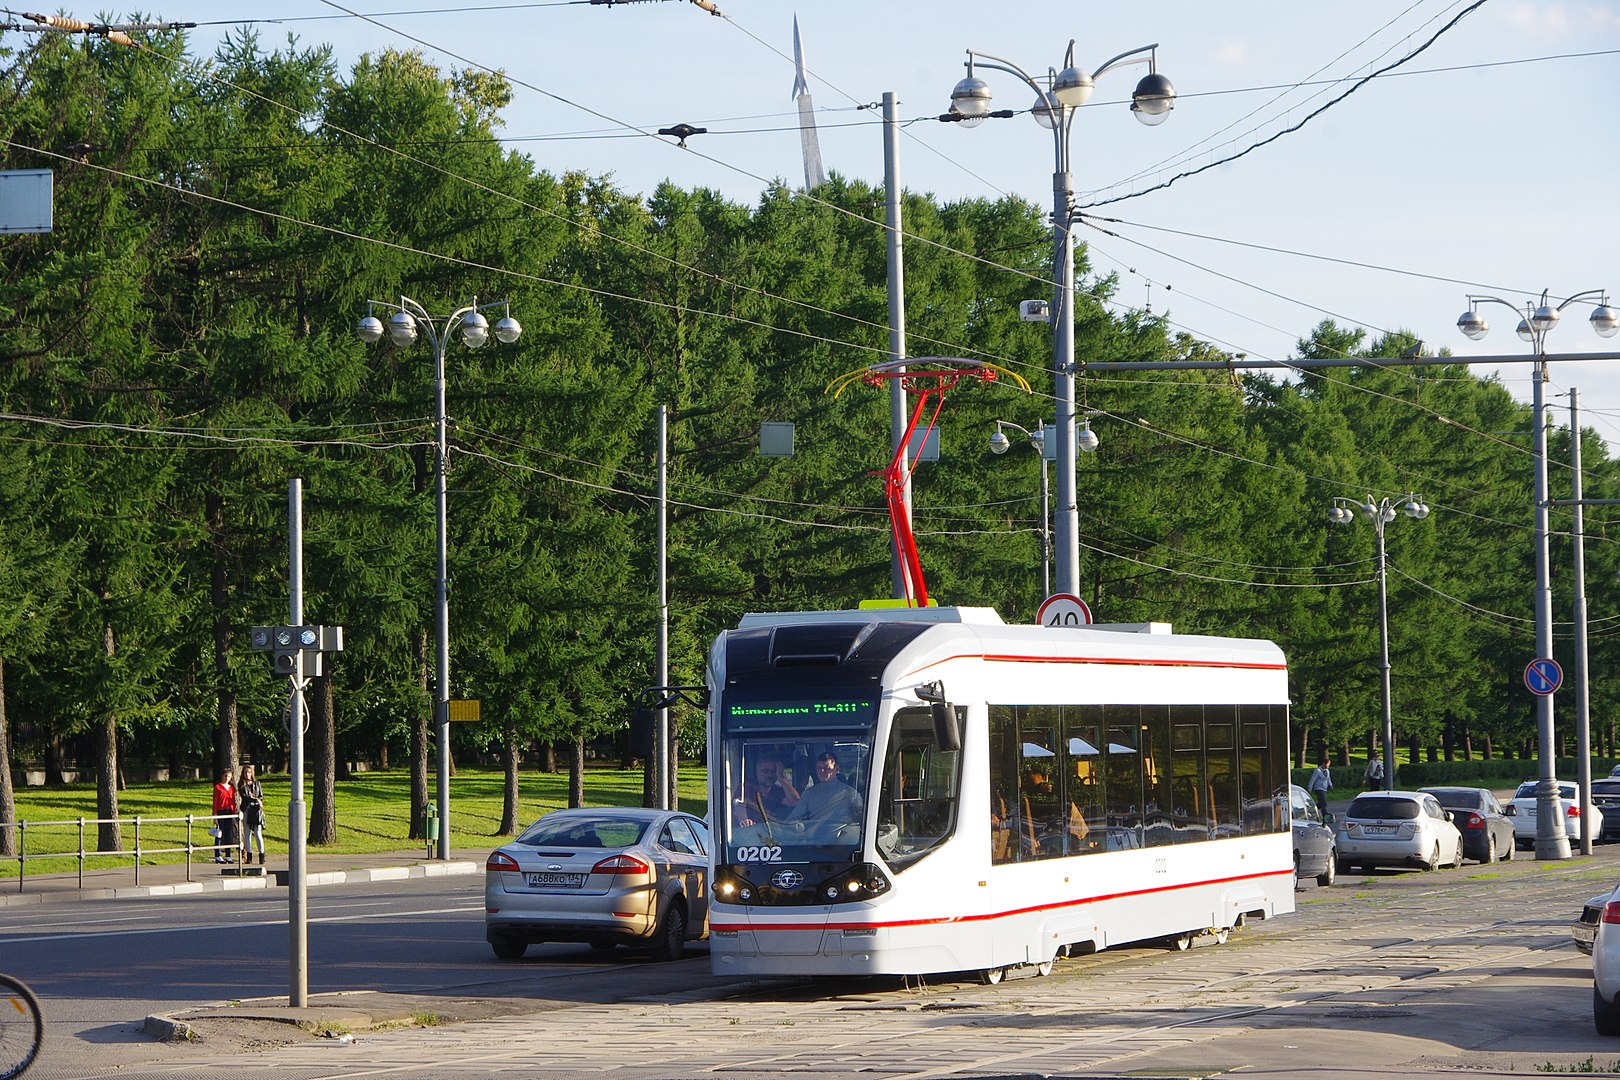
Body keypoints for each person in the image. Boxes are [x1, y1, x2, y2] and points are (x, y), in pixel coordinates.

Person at [785, 751, 863, 836]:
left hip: (844, 844)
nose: (822, 771)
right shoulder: (809, 794)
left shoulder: (851, 794)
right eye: (819, 768)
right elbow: (791, 820)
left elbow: (861, 821)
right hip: (813, 842)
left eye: (827, 768)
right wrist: (801, 827)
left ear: (836, 769)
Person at [736, 754, 799, 828]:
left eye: (773, 771)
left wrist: (781, 776)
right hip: (749, 832)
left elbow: (794, 801)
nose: (769, 775)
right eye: (765, 771)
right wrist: (744, 820)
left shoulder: (776, 791)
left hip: (773, 832)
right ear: (757, 772)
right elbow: (739, 803)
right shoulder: (747, 787)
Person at [238, 764, 266, 866]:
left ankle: (262, 855)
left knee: (258, 832)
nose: (247, 774)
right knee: (247, 833)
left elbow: (261, 796)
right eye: (245, 772)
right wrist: (255, 798)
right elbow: (245, 797)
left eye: (249, 772)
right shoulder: (242, 785)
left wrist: (257, 799)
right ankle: (249, 855)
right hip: (247, 809)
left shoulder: (257, 784)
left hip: (256, 810)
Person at [212, 768, 239, 864]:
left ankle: (228, 855)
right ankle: (218, 855)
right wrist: (214, 814)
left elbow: (233, 800)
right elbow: (215, 801)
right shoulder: (218, 787)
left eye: (229, 776)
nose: (227, 778)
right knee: (219, 833)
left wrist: (234, 811)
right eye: (225, 776)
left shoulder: (231, 788)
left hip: (229, 811)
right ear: (222, 776)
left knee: (228, 834)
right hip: (220, 811)